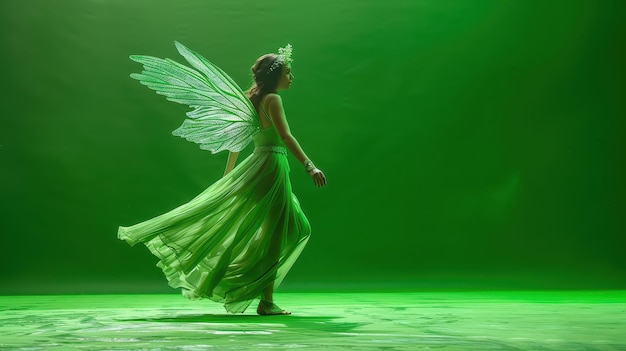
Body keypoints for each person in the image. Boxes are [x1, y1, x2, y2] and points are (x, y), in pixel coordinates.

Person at [118, 42, 326, 315]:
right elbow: (285, 136)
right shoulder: (273, 99)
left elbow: (236, 142)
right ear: (275, 76)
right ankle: (263, 298)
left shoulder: (250, 99)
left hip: (261, 166)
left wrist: (229, 175)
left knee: (286, 229)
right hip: (271, 166)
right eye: (287, 71)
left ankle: (251, 285)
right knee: (279, 234)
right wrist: (309, 166)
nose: (291, 77)